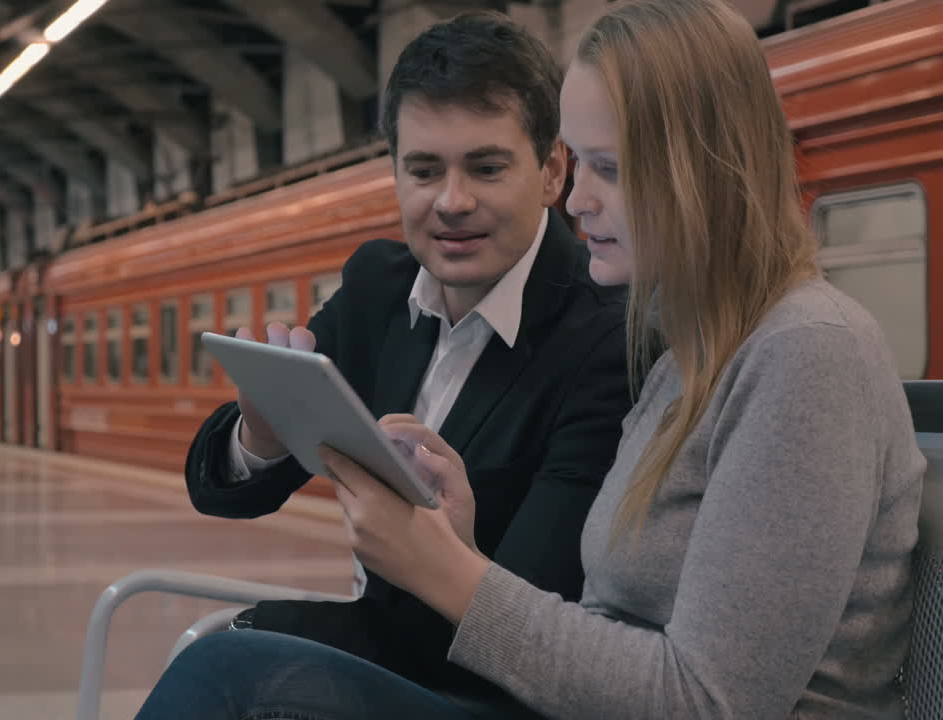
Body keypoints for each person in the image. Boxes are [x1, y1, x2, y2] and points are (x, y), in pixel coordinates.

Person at [139, 0, 925, 718]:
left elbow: (710, 702)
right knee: (235, 665)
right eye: (581, 164)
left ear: (708, 167)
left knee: (238, 678)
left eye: (608, 170)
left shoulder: (804, 354)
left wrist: (442, 565)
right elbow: (606, 622)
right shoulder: (691, 350)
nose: (578, 201)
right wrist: (462, 540)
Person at [176, 11, 631, 716]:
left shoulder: (604, 339)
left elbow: (533, 624)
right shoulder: (378, 289)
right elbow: (225, 493)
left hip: (503, 692)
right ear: (394, 173)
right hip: (394, 655)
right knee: (227, 656)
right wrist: (260, 437)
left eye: (486, 167)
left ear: (550, 171)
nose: (452, 202)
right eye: (424, 170)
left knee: (229, 664)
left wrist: (264, 631)